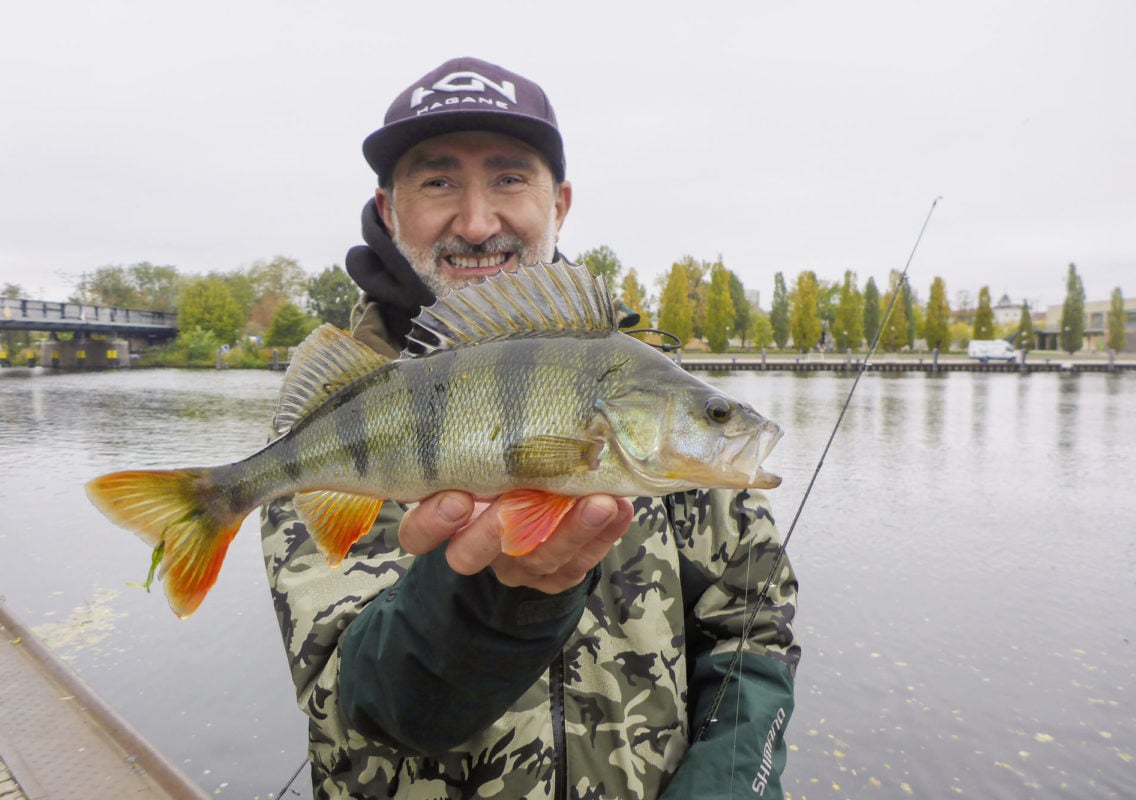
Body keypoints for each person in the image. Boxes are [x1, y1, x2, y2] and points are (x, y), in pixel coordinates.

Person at [261, 56, 801, 799]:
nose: (478, 222)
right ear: (389, 209)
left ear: (561, 203)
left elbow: (752, 627)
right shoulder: (343, 416)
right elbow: (356, 706)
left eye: (510, 178)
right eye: (438, 180)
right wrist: (500, 603)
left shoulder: (652, 392)